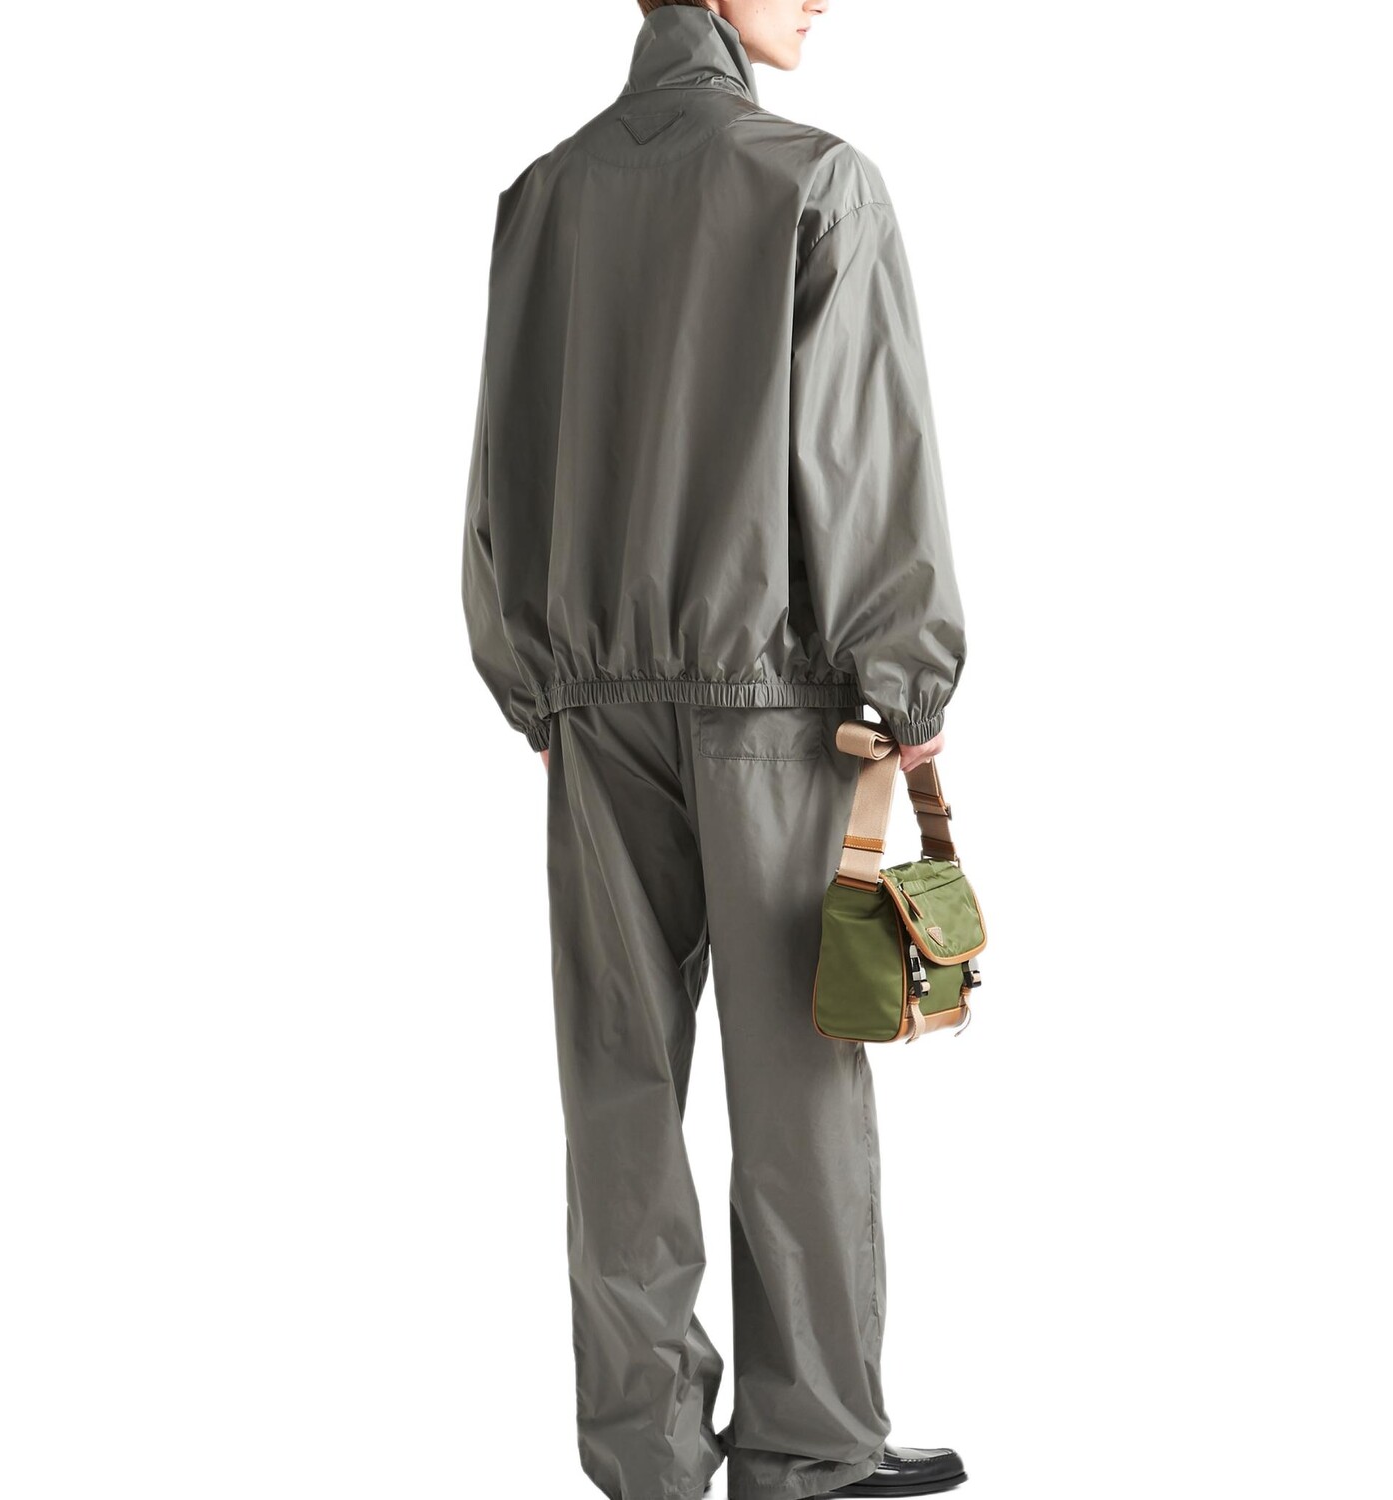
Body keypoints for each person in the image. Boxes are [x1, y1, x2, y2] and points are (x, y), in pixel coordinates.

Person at [462, 3, 969, 1497]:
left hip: (589, 704)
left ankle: (648, 1456)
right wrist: (903, 674)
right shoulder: (813, 180)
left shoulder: (545, 195)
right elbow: (864, 454)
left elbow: (499, 468)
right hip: (775, 703)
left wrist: (535, 686)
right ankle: (811, 1448)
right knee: (800, 1075)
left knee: (616, 1080)